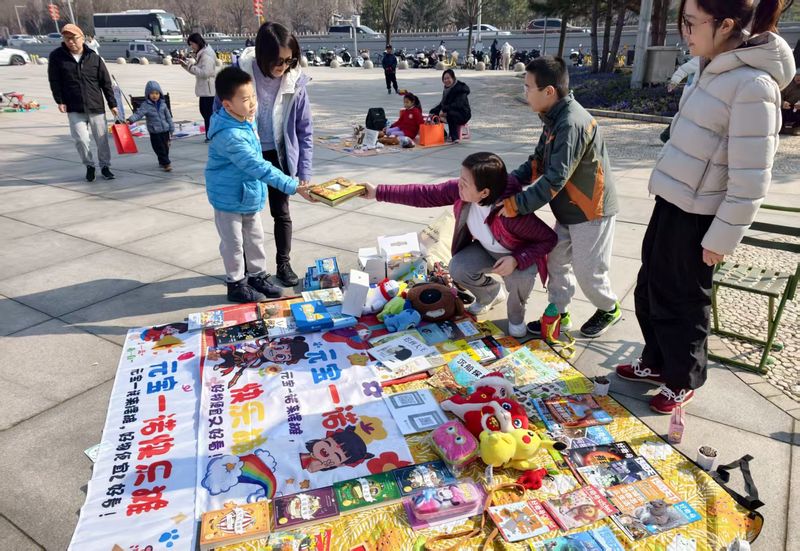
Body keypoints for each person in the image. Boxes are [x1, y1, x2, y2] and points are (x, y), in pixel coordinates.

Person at [615, 0, 795, 414]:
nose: (686, 33)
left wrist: (722, 238)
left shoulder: (753, 86)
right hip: (674, 200)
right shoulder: (712, 68)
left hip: (700, 215)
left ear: (726, 24)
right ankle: (657, 362)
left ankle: (683, 379)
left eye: (692, 23)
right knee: (650, 288)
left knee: (684, 300)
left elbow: (751, 178)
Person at [363, 152, 557, 338]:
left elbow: (548, 238)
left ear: (484, 192)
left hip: (516, 254)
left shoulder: (511, 212)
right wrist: (378, 192)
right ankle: (490, 294)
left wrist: (516, 260)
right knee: (458, 267)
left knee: (519, 283)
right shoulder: (462, 193)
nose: (459, 186)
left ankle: (516, 317)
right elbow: (424, 194)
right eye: (460, 179)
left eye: (464, 183)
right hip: (487, 249)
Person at [500, 56, 621, 339]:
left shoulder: (570, 124)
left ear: (549, 91)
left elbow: (555, 179)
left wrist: (515, 205)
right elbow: (538, 161)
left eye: (529, 87)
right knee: (556, 260)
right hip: (568, 209)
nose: (525, 93)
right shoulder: (552, 119)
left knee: (588, 272)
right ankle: (559, 311)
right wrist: (508, 183)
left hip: (591, 211)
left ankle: (608, 308)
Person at [205, 66, 315, 303]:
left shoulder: (244, 120)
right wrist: (292, 185)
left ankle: (257, 276)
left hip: (248, 195)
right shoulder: (229, 135)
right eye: (246, 99)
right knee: (234, 244)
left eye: (253, 96)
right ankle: (236, 284)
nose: (253, 103)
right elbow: (258, 166)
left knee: (254, 238)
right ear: (227, 105)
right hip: (228, 198)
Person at [237, 21, 314, 288]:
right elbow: (219, 117)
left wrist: (304, 171)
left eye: (290, 60)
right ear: (262, 54)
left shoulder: (295, 82)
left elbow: (305, 131)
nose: (283, 67)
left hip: (280, 157)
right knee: (249, 216)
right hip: (249, 157)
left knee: (281, 212)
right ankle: (252, 272)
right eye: (278, 60)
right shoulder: (239, 77)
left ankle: (283, 263)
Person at [47, 23, 118, 182]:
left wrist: (112, 104)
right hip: (74, 106)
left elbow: (105, 82)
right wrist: (59, 100)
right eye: (67, 39)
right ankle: (89, 165)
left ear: (82, 38)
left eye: (73, 38)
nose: (70, 42)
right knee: (80, 139)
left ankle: (105, 166)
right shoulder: (57, 57)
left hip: (96, 106)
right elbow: (54, 80)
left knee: (102, 140)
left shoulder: (94, 57)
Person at [126, 81, 175, 171]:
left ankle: (162, 160)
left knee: (165, 148)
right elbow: (138, 114)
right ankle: (166, 164)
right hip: (155, 131)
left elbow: (168, 117)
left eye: (157, 93)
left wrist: (171, 128)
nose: (154, 95)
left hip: (165, 130)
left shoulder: (163, 105)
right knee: (159, 148)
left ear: (160, 94)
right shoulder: (145, 105)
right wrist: (130, 120)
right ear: (148, 94)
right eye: (152, 93)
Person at [180, 33, 217, 141]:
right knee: (205, 112)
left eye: (192, 44)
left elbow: (205, 73)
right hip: (205, 89)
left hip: (209, 90)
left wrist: (190, 66)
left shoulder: (206, 55)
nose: (191, 47)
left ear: (197, 43)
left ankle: (210, 135)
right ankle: (210, 134)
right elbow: (198, 70)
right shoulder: (202, 53)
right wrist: (186, 66)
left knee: (208, 113)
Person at [430, 69, 471, 143]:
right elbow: (443, 103)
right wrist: (435, 110)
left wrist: (444, 110)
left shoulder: (460, 89)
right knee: (433, 114)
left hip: (463, 114)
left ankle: (454, 137)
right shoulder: (447, 89)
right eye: (444, 79)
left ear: (453, 78)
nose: (446, 80)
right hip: (451, 111)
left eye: (448, 78)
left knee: (450, 114)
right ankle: (443, 134)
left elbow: (458, 104)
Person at [780, 69, 800, 135]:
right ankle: (783, 129)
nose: (799, 77)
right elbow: (778, 96)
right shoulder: (787, 83)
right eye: (797, 75)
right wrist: (782, 103)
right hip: (786, 107)